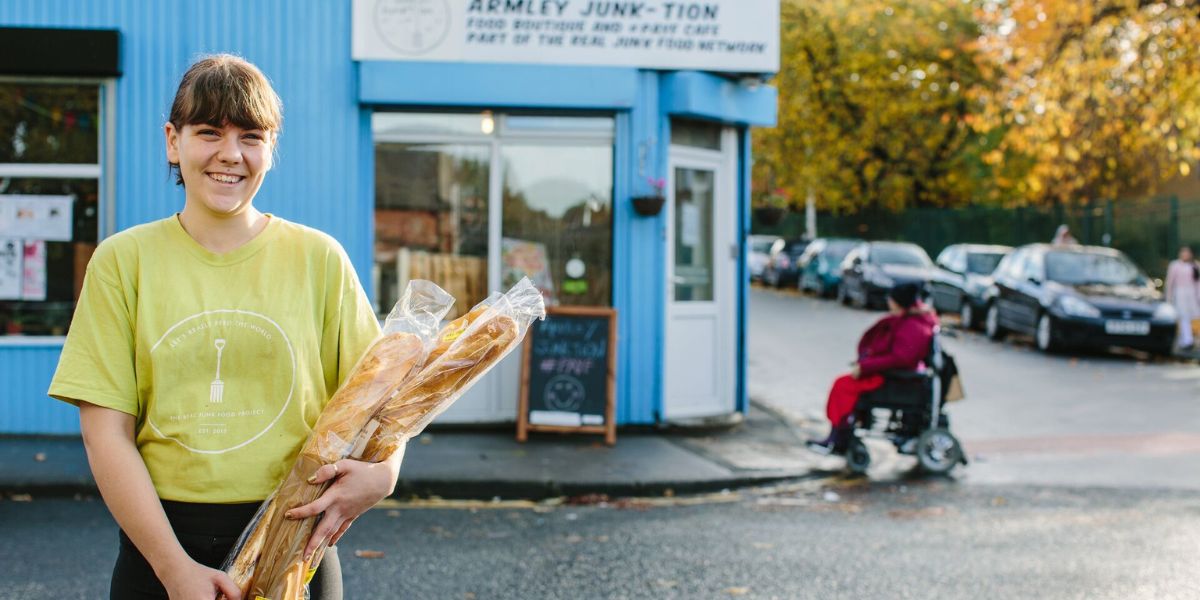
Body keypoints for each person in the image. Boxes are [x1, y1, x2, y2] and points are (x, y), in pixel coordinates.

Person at [47, 55, 400, 600]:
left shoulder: (319, 259)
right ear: (173, 141)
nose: (230, 154)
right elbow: (106, 433)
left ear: (270, 149)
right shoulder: (124, 262)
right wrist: (173, 570)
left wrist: (385, 472)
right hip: (160, 545)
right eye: (209, 132)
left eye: (251, 136)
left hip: (294, 539)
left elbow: (383, 398)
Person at [807, 282, 939, 454]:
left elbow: (900, 358)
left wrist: (866, 366)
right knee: (843, 383)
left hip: (895, 378)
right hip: (893, 374)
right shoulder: (910, 320)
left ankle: (838, 437)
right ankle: (839, 435)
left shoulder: (912, 326)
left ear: (898, 302)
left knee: (843, 385)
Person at [1165, 245, 1200, 350]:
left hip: (1191, 294)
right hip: (1180, 294)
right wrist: (1168, 296)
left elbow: (1197, 283)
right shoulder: (1175, 265)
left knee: (1190, 316)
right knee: (1183, 316)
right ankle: (1187, 340)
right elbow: (1170, 282)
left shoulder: (1195, 265)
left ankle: (1184, 340)